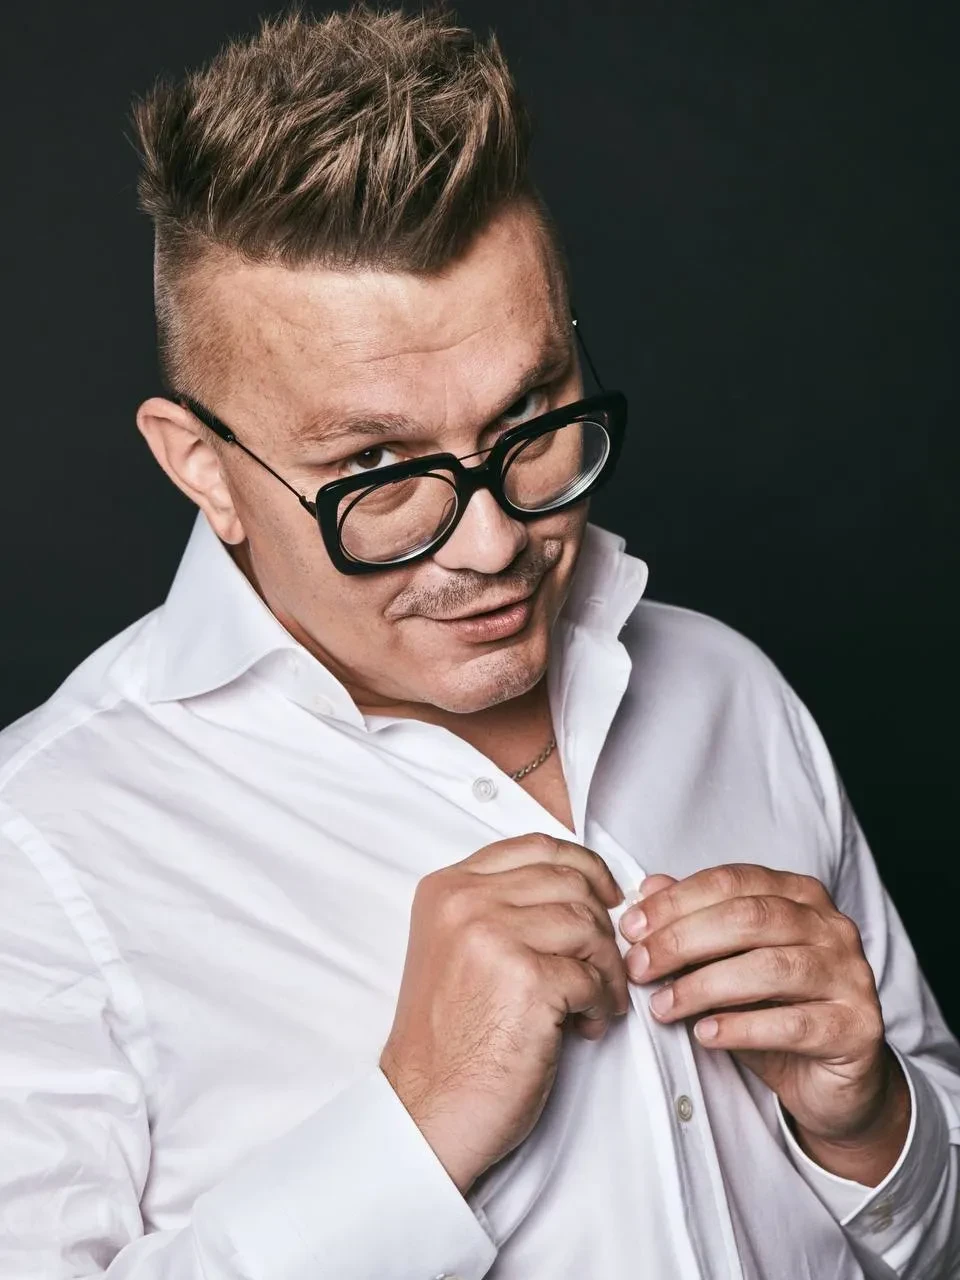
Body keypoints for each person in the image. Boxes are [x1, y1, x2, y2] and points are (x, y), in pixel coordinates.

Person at [0, 6, 957, 1277]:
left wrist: (875, 1123)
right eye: (377, 468)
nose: (496, 541)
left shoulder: (730, 689)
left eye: (530, 414)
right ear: (203, 469)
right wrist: (412, 1127)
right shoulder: (39, 853)